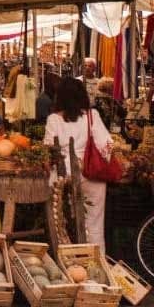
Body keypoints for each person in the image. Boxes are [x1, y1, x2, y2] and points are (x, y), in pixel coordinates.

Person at [43, 77, 112, 245]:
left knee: (62, 222)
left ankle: (68, 260)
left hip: (62, 177)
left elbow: (49, 149)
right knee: (94, 222)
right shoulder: (92, 116)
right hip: (92, 173)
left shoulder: (54, 119)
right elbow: (107, 145)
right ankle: (96, 260)